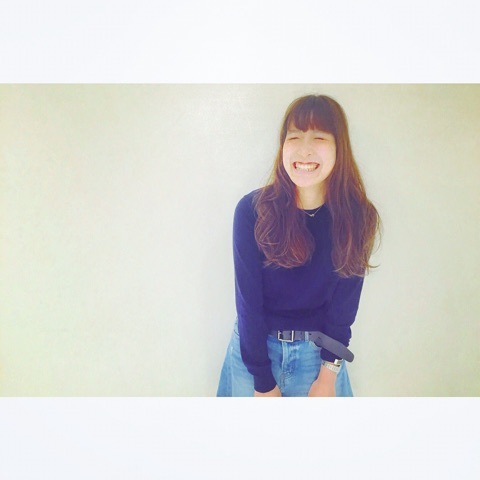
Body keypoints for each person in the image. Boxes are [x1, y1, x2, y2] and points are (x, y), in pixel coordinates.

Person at [217, 94, 380, 397]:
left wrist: (328, 375)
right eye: (294, 137)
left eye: (319, 137)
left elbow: (344, 308)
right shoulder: (252, 210)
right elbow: (248, 304)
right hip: (254, 352)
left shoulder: (357, 216)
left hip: (318, 357)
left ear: (339, 147)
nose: (304, 150)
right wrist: (263, 382)